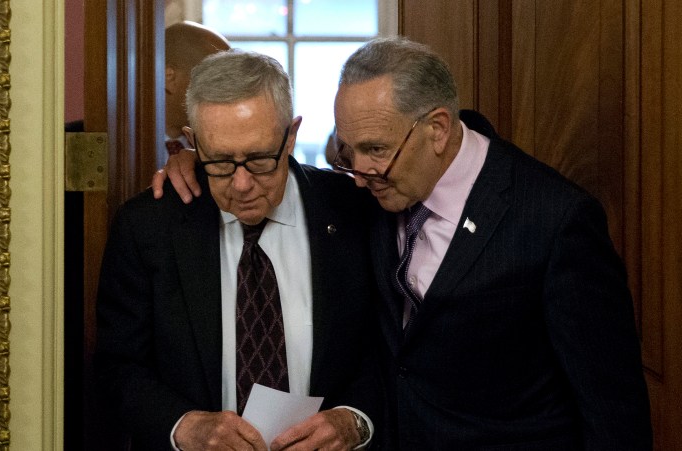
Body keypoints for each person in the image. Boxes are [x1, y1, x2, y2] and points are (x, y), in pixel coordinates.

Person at [154, 37, 652, 450]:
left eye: (376, 150)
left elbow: (612, 406)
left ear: (437, 129)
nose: (360, 170)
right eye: (348, 150)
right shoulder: (368, 196)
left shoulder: (556, 219)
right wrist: (199, 163)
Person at [95, 49, 383, 450]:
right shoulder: (148, 227)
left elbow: (390, 355)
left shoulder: (355, 211)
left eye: (261, 159)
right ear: (193, 143)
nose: (242, 184)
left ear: (292, 135)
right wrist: (183, 426)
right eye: (221, 162)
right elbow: (116, 368)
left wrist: (356, 420)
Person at [163, 21, 229, 156]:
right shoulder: (123, 143)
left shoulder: (222, 147)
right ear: (170, 78)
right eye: (217, 79)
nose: (228, 92)